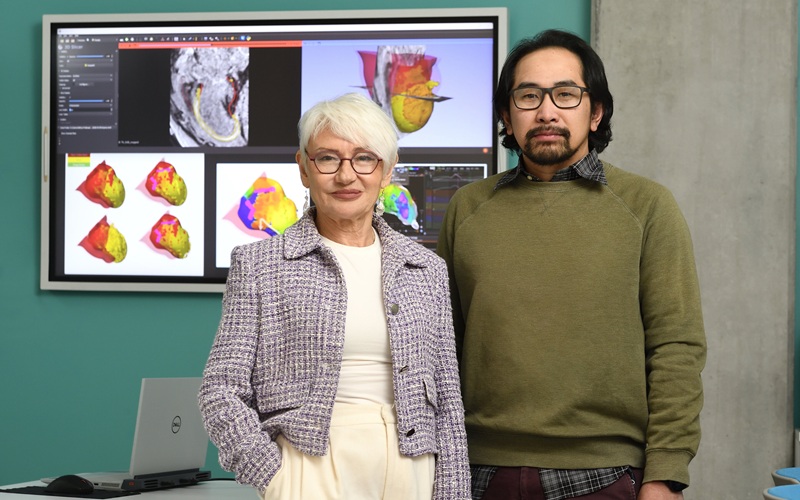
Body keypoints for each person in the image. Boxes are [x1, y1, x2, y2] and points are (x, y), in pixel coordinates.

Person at [437, 29, 706, 500]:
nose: (546, 112)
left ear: (595, 110)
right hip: (479, 472)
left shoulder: (646, 205)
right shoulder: (467, 207)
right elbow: (439, 346)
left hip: (605, 474)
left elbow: (676, 348)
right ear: (506, 114)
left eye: (565, 94)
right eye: (527, 96)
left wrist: (665, 473)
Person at [198, 92, 470, 500]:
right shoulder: (259, 265)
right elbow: (220, 389)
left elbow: (448, 399)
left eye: (364, 158)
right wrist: (275, 476)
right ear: (305, 168)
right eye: (328, 158)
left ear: (387, 171)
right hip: (309, 468)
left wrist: (452, 492)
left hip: (413, 469)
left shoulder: (425, 269)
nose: (347, 176)